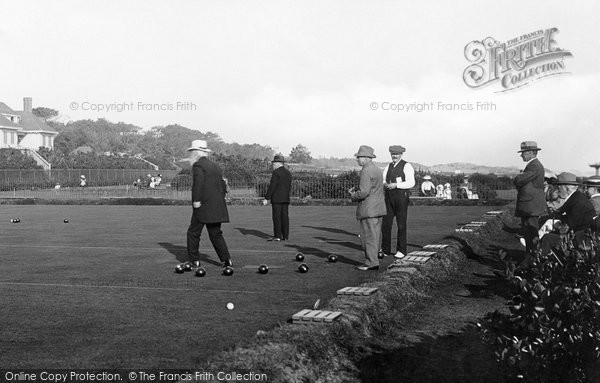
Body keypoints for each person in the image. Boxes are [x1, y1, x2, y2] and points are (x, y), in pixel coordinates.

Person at [185, 139, 233, 271]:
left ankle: (194, 260)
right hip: (216, 206)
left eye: (193, 151)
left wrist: (196, 201)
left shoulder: (198, 166)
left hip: (203, 205)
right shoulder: (215, 166)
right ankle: (227, 260)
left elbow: (198, 184)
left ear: (197, 152)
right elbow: (222, 185)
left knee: (193, 233)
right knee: (216, 234)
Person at [349, 145, 387, 270]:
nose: (357, 160)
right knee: (375, 237)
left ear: (365, 158)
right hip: (378, 208)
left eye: (358, 157)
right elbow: (373, 188)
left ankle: (371, 263)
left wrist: (353, 195)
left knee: (368, 237)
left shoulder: (365, 171)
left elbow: (364, 192)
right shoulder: (376, 169)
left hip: (368, 209)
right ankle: (373, 261)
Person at [540, 172, 596, 253]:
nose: (557, 188)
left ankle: (541, 260)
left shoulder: (577, 201)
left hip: (581, 238)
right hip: (581, 235)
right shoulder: (576, 197)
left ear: (567, 188)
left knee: (547, 237)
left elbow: (571, 224)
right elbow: (562, 215)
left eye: (559, 186)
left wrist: (556, 226)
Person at [513, 141, 546, 268]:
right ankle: (530, 260)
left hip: (531, 206)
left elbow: (520, 179)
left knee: (531, 234)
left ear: (532, 153)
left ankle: (532, 261)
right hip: (530, 205)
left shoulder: (534, 166)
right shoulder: (533, 165)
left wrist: (517, 178)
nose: (521, 156)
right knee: (529, 233)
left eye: (524, 153)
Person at [381, 145, 415, 259]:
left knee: (401, 224)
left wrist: (397, 185)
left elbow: (411, 182)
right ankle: (385, 249)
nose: (394, 156)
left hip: (401, 197)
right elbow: (383, 179)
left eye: (396, 154)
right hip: (389, 197)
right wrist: (385, 184)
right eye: (393, 154)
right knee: (386, 224)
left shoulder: (407, 165)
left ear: (401, 154)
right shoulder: (389, 166)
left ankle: (401, 250)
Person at [263, 154, 292, 241]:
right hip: (285, 198)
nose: (273, 165)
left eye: (274, 163)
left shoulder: (276, 173)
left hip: (277, 198)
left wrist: (267, 198)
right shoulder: (288, 173)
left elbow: (272, 186)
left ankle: (278, 236)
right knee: (285, 217)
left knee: (277, 217)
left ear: (277, 163)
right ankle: (285, 236)